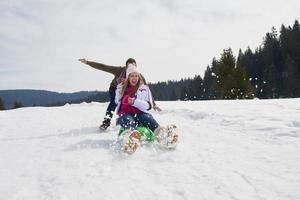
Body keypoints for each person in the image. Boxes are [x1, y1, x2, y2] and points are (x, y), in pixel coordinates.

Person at [78, 58, 161, 131]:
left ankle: (138, 121)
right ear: (126, 66)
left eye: (133, 64)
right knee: (114, 103)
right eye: (129, 65)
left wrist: (153, 104)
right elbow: (104, 67)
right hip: (115, 88)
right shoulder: (119, 70)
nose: (131, 66)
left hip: (131, 92)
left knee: (136, 106)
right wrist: (88, 62)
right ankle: (106, 122)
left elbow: (146, 90)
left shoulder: (138, 76)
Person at [115, 64, 178, 153]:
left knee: (148, 118)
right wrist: (123, 97)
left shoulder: (144, 88)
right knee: (129, 121)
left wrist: (134, 102)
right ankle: (129, 141)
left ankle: (164, 136)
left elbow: (148, 106)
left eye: (136, 76)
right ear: (128, 77)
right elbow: (117, 101)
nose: (134, 78)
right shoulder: (121, 87)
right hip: (125, 114)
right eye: (132, 76)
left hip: (140, 114)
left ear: (139, 76)